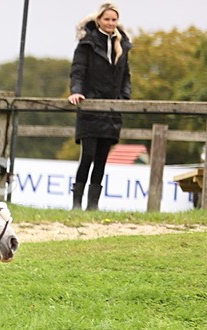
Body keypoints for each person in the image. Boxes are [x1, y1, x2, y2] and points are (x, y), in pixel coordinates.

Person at [67, 2, 132, 210]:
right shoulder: (86, 44)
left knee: (102, 159)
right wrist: (76, 91)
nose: (111, 23)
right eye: (107, 19)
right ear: (99, 20)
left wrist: (124, 97)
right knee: (87, 156)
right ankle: (76, 204)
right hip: (90, 107)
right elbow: (78, 70)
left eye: (114, 19)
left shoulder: (123, 45)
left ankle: (92, 205)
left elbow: (126, 76)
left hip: (112, 110)